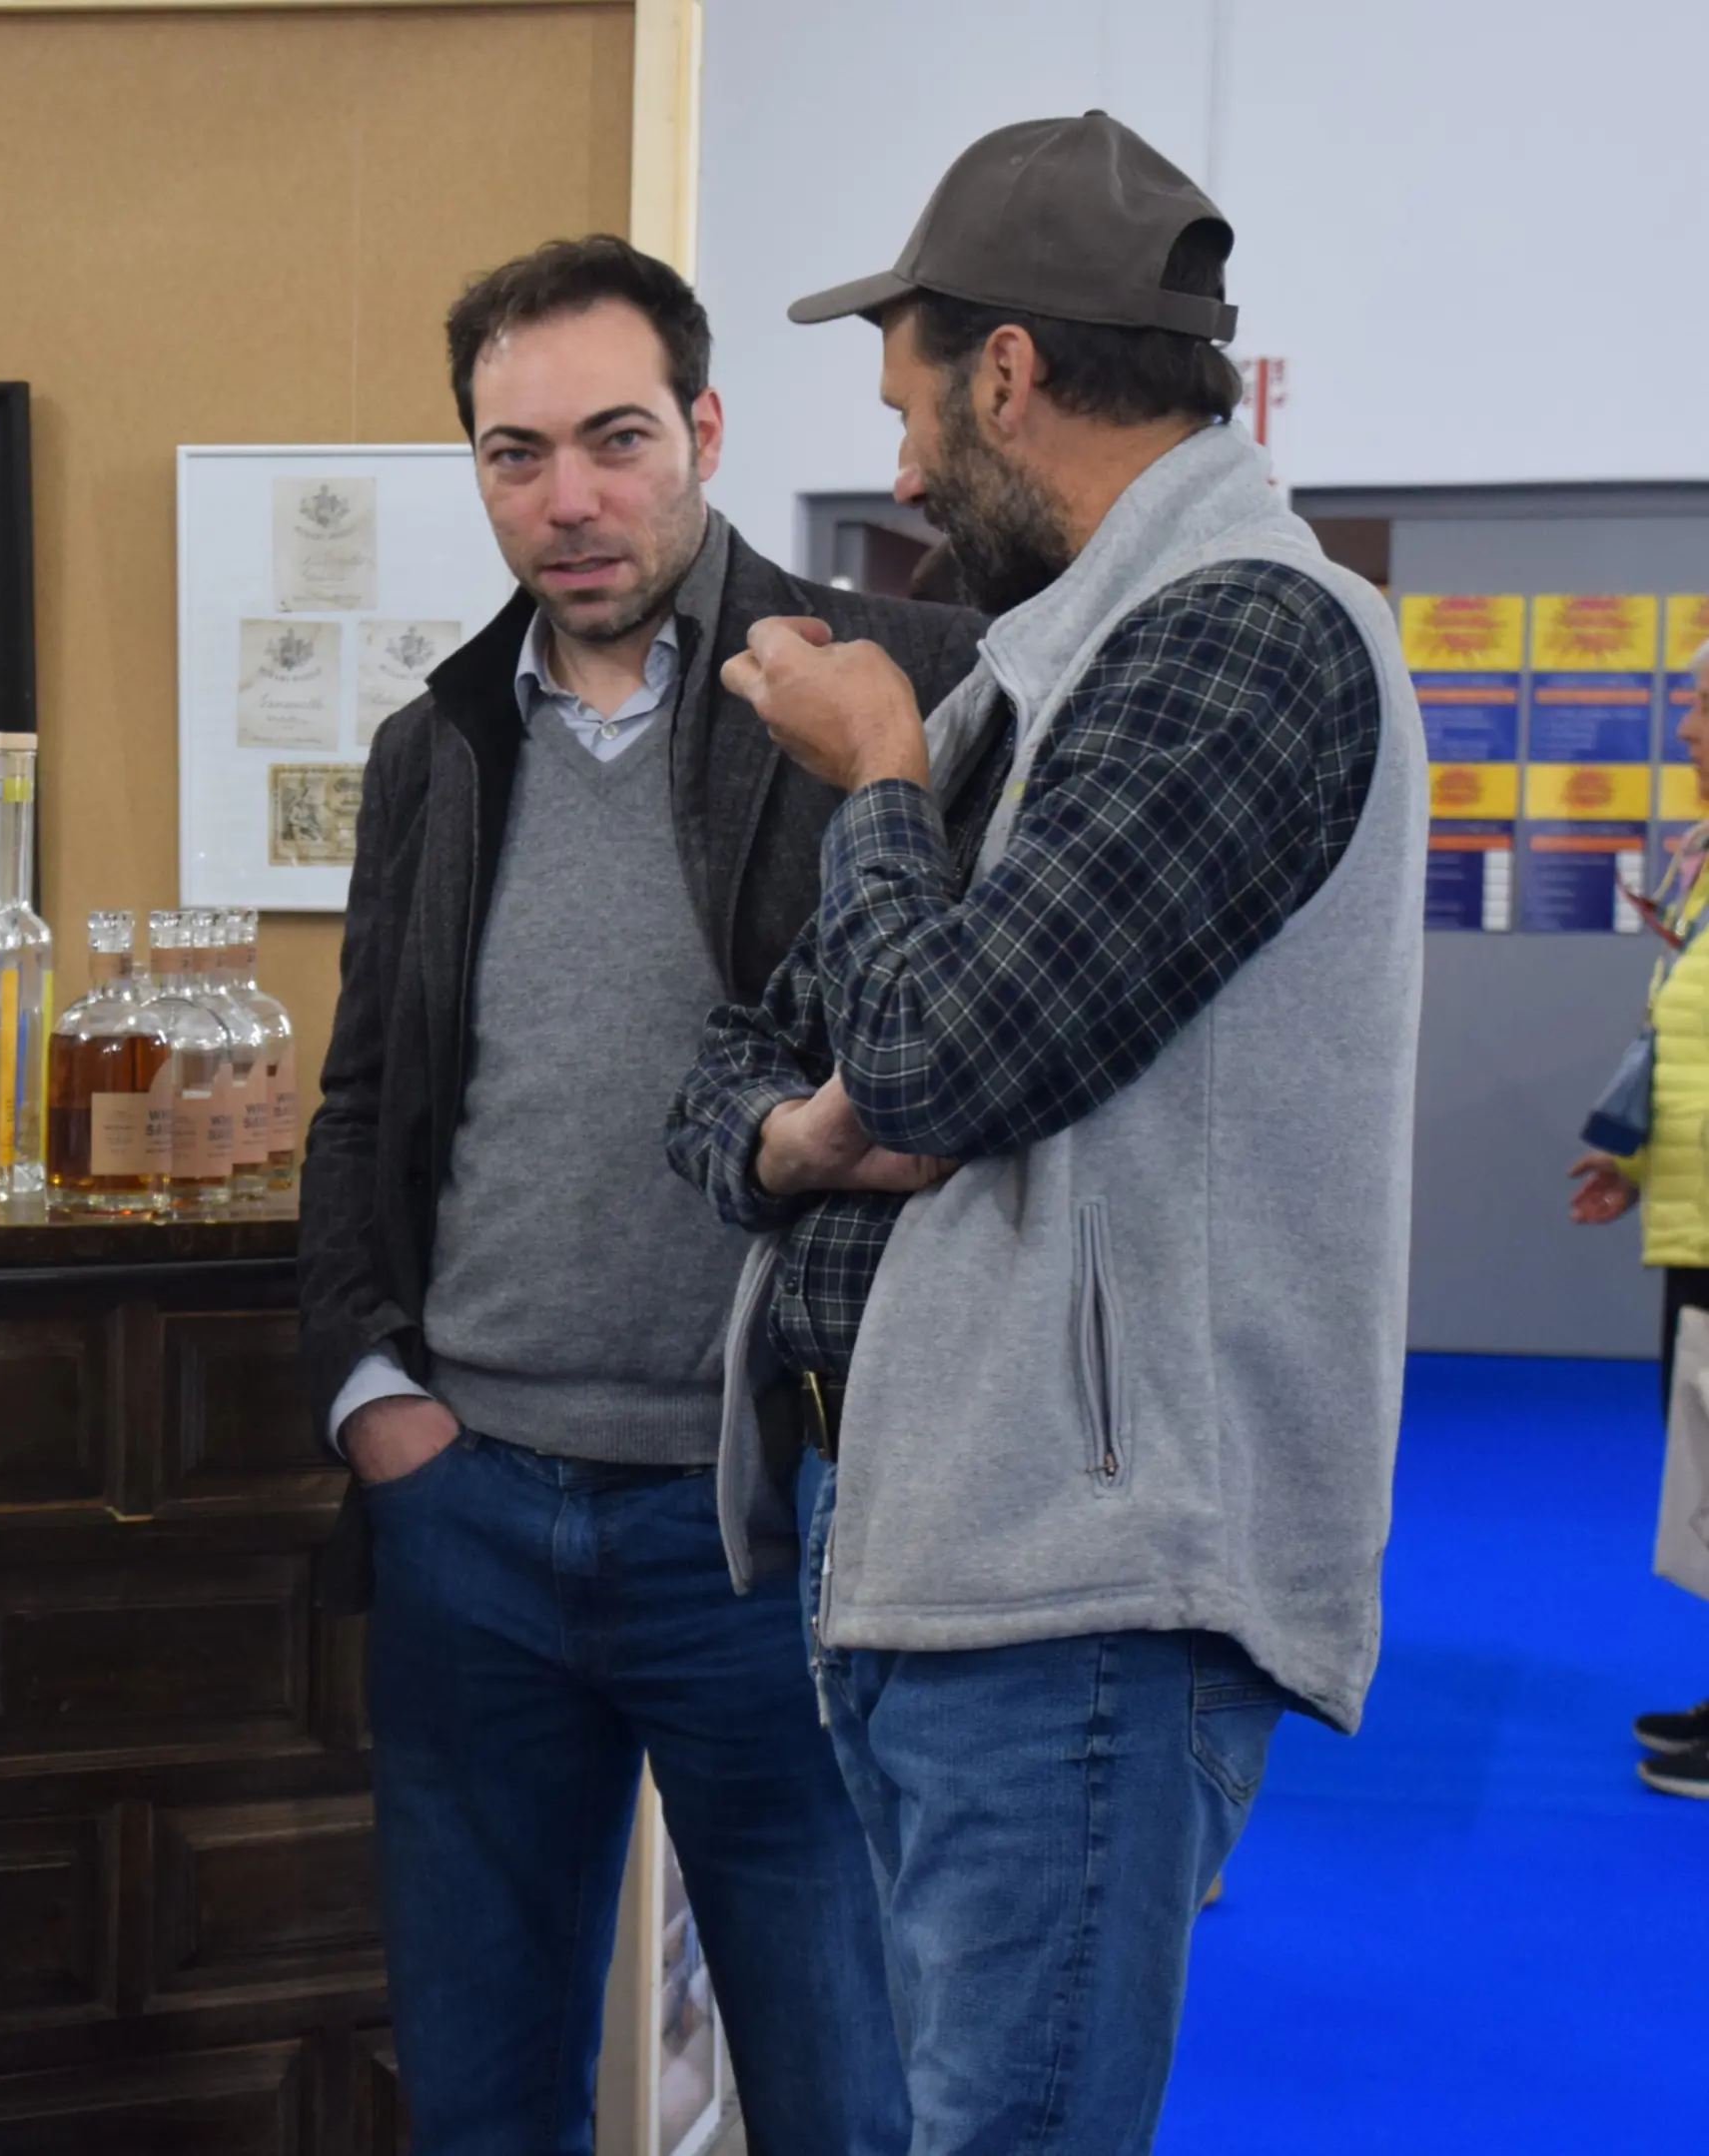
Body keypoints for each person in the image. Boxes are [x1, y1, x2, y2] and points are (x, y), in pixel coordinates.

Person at [667, 113, 1425, 2154]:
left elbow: (930, 1061)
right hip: (930, 1533)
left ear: (1006, 373)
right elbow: (747, 1074)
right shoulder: (1055, 671)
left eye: (909, 404)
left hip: (1073, 1572)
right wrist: (795, 1137)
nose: (901, 468)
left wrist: (883, 779)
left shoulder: (1250, 639)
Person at [297, 235, 981, 2156]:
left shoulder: (895, 681)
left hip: (782, 1514)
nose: (568, 498)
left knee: (846, 2095)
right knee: (488, 2100)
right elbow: (365, 1108)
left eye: (612, 438)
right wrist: (378, 1402)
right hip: (473, 1513)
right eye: (515, 455)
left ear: (703, 428)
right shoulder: (435, 748)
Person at [1568, 631, 1709, 1801]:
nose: (1688, 730)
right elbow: (1683, 1037)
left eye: (1705, 706)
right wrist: (1639, 1159)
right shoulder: (1705, 858)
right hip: (1694, 1219)